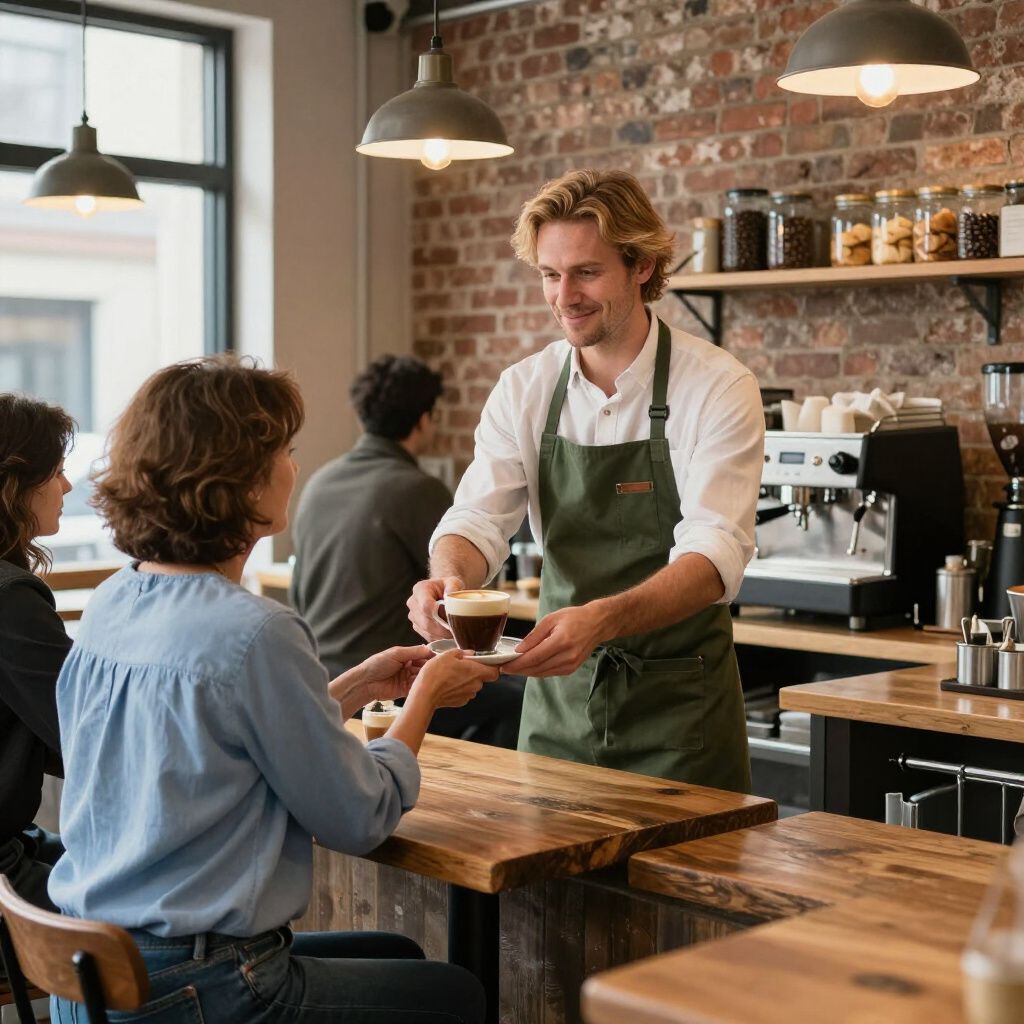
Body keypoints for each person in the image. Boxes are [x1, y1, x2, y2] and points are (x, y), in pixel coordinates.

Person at [49, 356, 494, 1024]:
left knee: (396, 950)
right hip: (198, 989)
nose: (293, 464)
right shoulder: (254, 631)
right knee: (455, 996)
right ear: (236, 478)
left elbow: (220, 737)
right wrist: (423, 697)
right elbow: (359, 815)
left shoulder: (115, 600)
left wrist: (357, 685)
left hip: (93, 977)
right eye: (283, 450)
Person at [408, 169, 764, 790]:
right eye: (550, 274)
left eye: (587, 272)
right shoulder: (525, 388)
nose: (564, 295)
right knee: (540, 890)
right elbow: (475, 520)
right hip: (558, 710)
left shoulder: (717, 385)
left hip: (682, 718)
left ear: (643, 267)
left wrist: (599, 620)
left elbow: (714, 557)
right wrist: (449, 578)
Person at [291, 354, 525, 747]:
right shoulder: (417, 489)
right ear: (423, 419)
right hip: (391, 679)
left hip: (324, 677)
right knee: (520, 702)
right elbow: (458, 596)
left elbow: (298, 595)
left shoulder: (319, 482)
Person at [0, 394, 73, 912]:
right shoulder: (10, 598)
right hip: (3, 874)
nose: (67, 487)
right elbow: (88, 736)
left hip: (13, 841)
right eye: (58, 472)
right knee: (171, 893)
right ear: (15, 484)